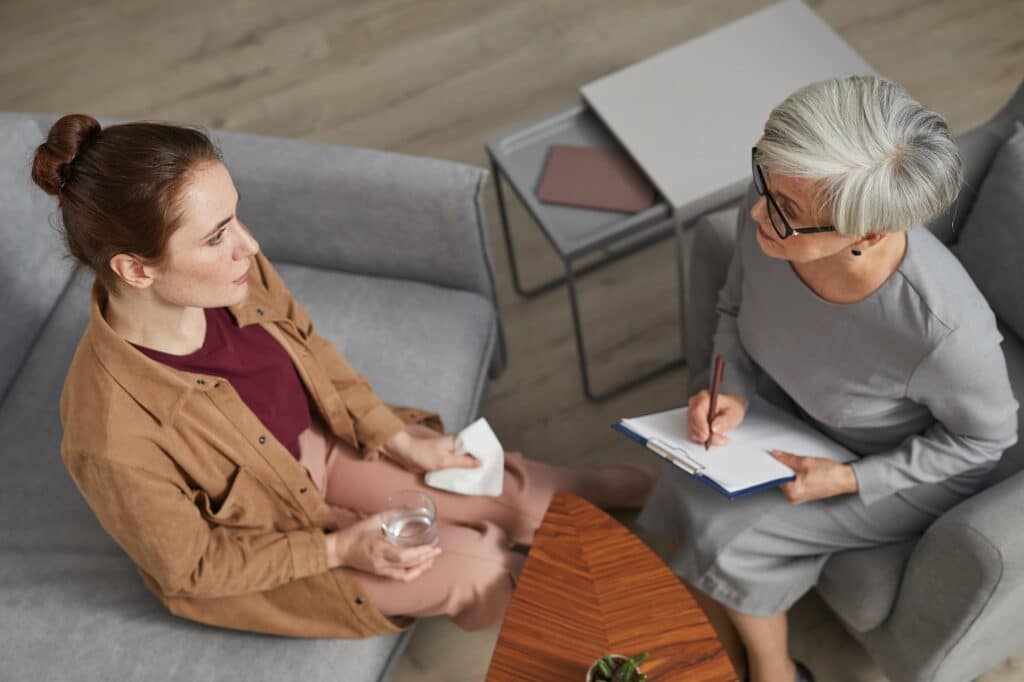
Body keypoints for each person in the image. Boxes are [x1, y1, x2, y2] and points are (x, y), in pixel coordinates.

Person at [35, 113, 653, 638]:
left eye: (236, 218)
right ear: (136, 270)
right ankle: (574, 625)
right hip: (271, 542)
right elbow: (192, 568)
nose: (248, 246)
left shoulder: (232, 275)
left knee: (498, 490)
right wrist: (338, 548)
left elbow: (308, 345)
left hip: (317, 448)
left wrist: (395, 435)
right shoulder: (108, 435)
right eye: (218, 235)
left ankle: (590, 493)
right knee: (477, 567)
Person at [638, 75, 1018, 682]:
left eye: (786, 211)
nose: (758, 211)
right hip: (800, 410)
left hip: (894, 464)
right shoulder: (769, 210)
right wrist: (730, 386)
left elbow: (984, 442)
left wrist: (848, 478)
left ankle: (775, 671)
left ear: (866, 235)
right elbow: (734, 307)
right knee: (688, 475)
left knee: (733, 539)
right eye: (764, 176)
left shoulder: (945, 335)